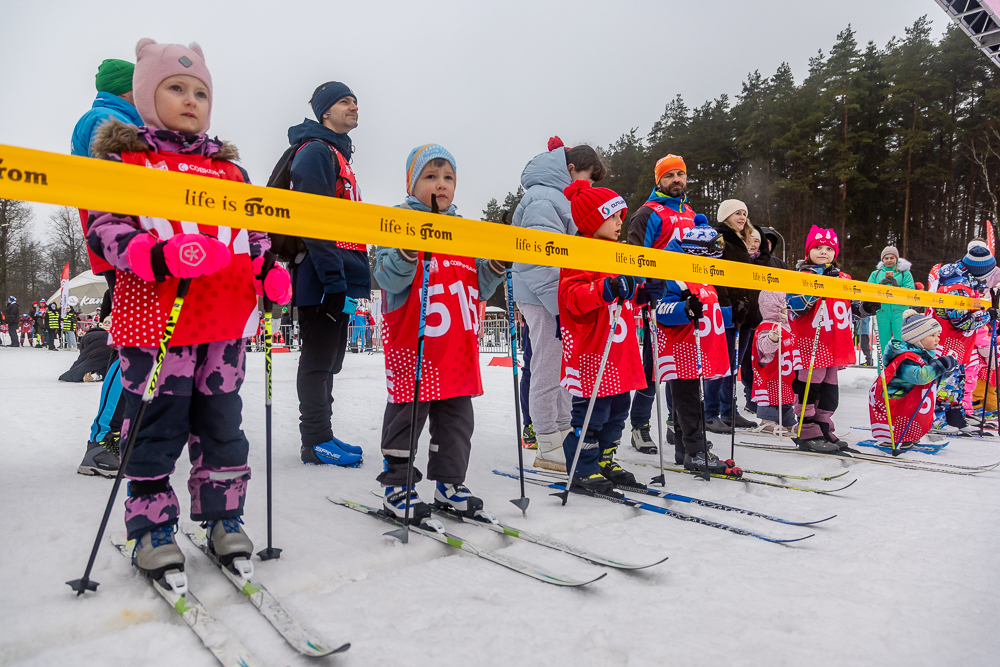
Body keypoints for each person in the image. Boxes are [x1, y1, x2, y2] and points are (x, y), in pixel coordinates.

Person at [85, 38, 292, 581]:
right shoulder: (125, 161)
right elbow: (105, 229)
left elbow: (253, 233)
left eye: (200, 92)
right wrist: (156, 255)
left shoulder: (230, 172)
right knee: (156, 425)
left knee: (223, 427)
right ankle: (152, 525)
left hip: (224, 324)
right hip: (158, 323)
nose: (190, 99)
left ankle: (223, 518)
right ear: (145, 96)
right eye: (176, 87)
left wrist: (267, 272)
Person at [372, 144, 505, 519]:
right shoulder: (398, 221)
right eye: (430, 176)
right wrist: (407, 252)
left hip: (456, 346)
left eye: (448, 177)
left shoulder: (464, 230)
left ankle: (449, 484)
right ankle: (397, 486)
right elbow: (387, 276)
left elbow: (477, 284)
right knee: (406, 417)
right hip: (415, 344)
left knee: (457, 422)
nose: (441, 184)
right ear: (411, 185)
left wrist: (495, 267)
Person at [284, 81, 370, 466]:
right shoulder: (316, 150)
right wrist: (334, 281)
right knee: (318, 360)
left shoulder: (337, 153)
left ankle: (324, 434)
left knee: (332, 361)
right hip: (322, 276)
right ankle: (315, 440)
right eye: (344, 101)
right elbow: (313, 220)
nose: (354, 107)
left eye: (355, 101)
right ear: (325, 112)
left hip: (340, 276)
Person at [511, 136, 607, 472]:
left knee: (566, 368)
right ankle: (548, 441)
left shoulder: (562, 198)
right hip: (545, 295)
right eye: (588, 178)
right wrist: (562, 302)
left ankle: (563, 433)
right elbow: (537, 258)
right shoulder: (543, 197)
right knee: (548, 367)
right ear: (571, 168)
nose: (589, 187)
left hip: (561, 296)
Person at [72, 59, 141, 477]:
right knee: (133, 346)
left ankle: (125, 433)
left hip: (137, 248)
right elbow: (122, 185)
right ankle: (103, 441)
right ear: (128, 87)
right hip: (127, 249)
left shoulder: (121, 119)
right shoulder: (106, 119)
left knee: (143, 345)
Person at [558, 181, 644, 492]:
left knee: (619, 410)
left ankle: (606, 458)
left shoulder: (618, 254)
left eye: (622, 216)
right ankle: (583, 465)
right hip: (593, 351)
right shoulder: (581, 253)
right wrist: (604, 288)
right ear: (593, 220)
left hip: (620, 352)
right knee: (593, 412)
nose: (621, 223)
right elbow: (571, 298)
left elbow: (627, 296)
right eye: (613, 217)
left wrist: (643, 293)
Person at [654, 219, 742, 474]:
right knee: (690, 402)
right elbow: (661, 311)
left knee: (688, 401)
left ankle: (686, 448)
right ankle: (695, 451)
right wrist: (684, 309)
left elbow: (707, 312)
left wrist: (731, 315)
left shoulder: (702, 278)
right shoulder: (676, 277)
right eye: (709, 259)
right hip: (680, 349)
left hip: (698, 348)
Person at [625, 154, 696, 454]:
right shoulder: (647, 213)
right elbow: (635, 256)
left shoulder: (691, 213)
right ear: (659, 180)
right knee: (653, 367)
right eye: (669, 175)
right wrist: (646, 287)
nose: (676, 180)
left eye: (680, 174)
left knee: (682, 366)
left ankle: (675, 422)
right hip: (658, 301)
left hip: (687, 300)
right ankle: (640, 425)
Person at [787, 226, 879, 452]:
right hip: (811, 343)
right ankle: (806, 429)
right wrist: (819, 286)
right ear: (808, 251)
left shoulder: (843, 278)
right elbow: (794, 307)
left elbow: (848, 309)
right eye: (818, 247)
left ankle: (823, 426)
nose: (823, 252)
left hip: (834, 344)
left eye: (829, 249)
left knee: (829, 391)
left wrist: (865, 307)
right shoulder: (801, 276)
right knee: (810, 387)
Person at [870, 310, 957, 448]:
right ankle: (893, 439)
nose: (937, 339)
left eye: (937, 335)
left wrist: (946, 369)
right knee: (899, 418)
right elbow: (921, 377)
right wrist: (939, 365)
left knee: (913, 416)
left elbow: (932, 379)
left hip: (910, 400)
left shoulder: (923, 355)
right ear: (917, 338)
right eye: (932, 335)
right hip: (897, 399)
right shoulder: (905, 359)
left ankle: (909, 436)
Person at [705, 199, 756, 433]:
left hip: (744, 312)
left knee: (733, 366)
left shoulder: (741, 241)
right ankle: (710, 413)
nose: (742, 217)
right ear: (725, 216)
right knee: (721, 364)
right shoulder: (720, 238)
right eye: (737, 213)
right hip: (728, 311)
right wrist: (727, 306)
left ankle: (728, 411)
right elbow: (716, 275)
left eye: (744, 213)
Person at [929, 262, 989, 433]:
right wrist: (987, 315)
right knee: (945, 383)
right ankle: (937, 420)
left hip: (959, 345)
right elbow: (961, 321)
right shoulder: (956, 289)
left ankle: (955, 417)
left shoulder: (966, 287)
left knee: (957, 382)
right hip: (947, 344)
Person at [750, 290, 798, 435]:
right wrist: (772, 338)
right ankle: (767, 419)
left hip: (784, 370)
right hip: (770, 370)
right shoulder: (766, 326)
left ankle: (788, 420)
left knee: (785, 396)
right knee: (770, 396)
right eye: (785, 306)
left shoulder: (787, 325)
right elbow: (763, 347)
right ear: (775, 307)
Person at [866, 246, 914, 353]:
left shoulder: (904, 273)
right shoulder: (875, 274)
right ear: (882, 260)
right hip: (881, 312)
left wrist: (897, 287)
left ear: (896, 259)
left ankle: (901, 364)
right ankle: (882, 365)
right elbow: (868, 291)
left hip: (900, 312)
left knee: (901, 344)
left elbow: (911, 291)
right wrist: (879, 286)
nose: (889, 260)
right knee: (882, 345)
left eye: (892, 258)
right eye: (886, 258)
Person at [59, 315, 115, 384]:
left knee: (80, 366)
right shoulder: (114, 334)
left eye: (108, 322)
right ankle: (97, 376)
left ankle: (88, 374)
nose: (106, 324)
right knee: (108, 369)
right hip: (107, 355)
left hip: (90, 354)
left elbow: (82, 350)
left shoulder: (91, 333)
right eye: (105, 322)